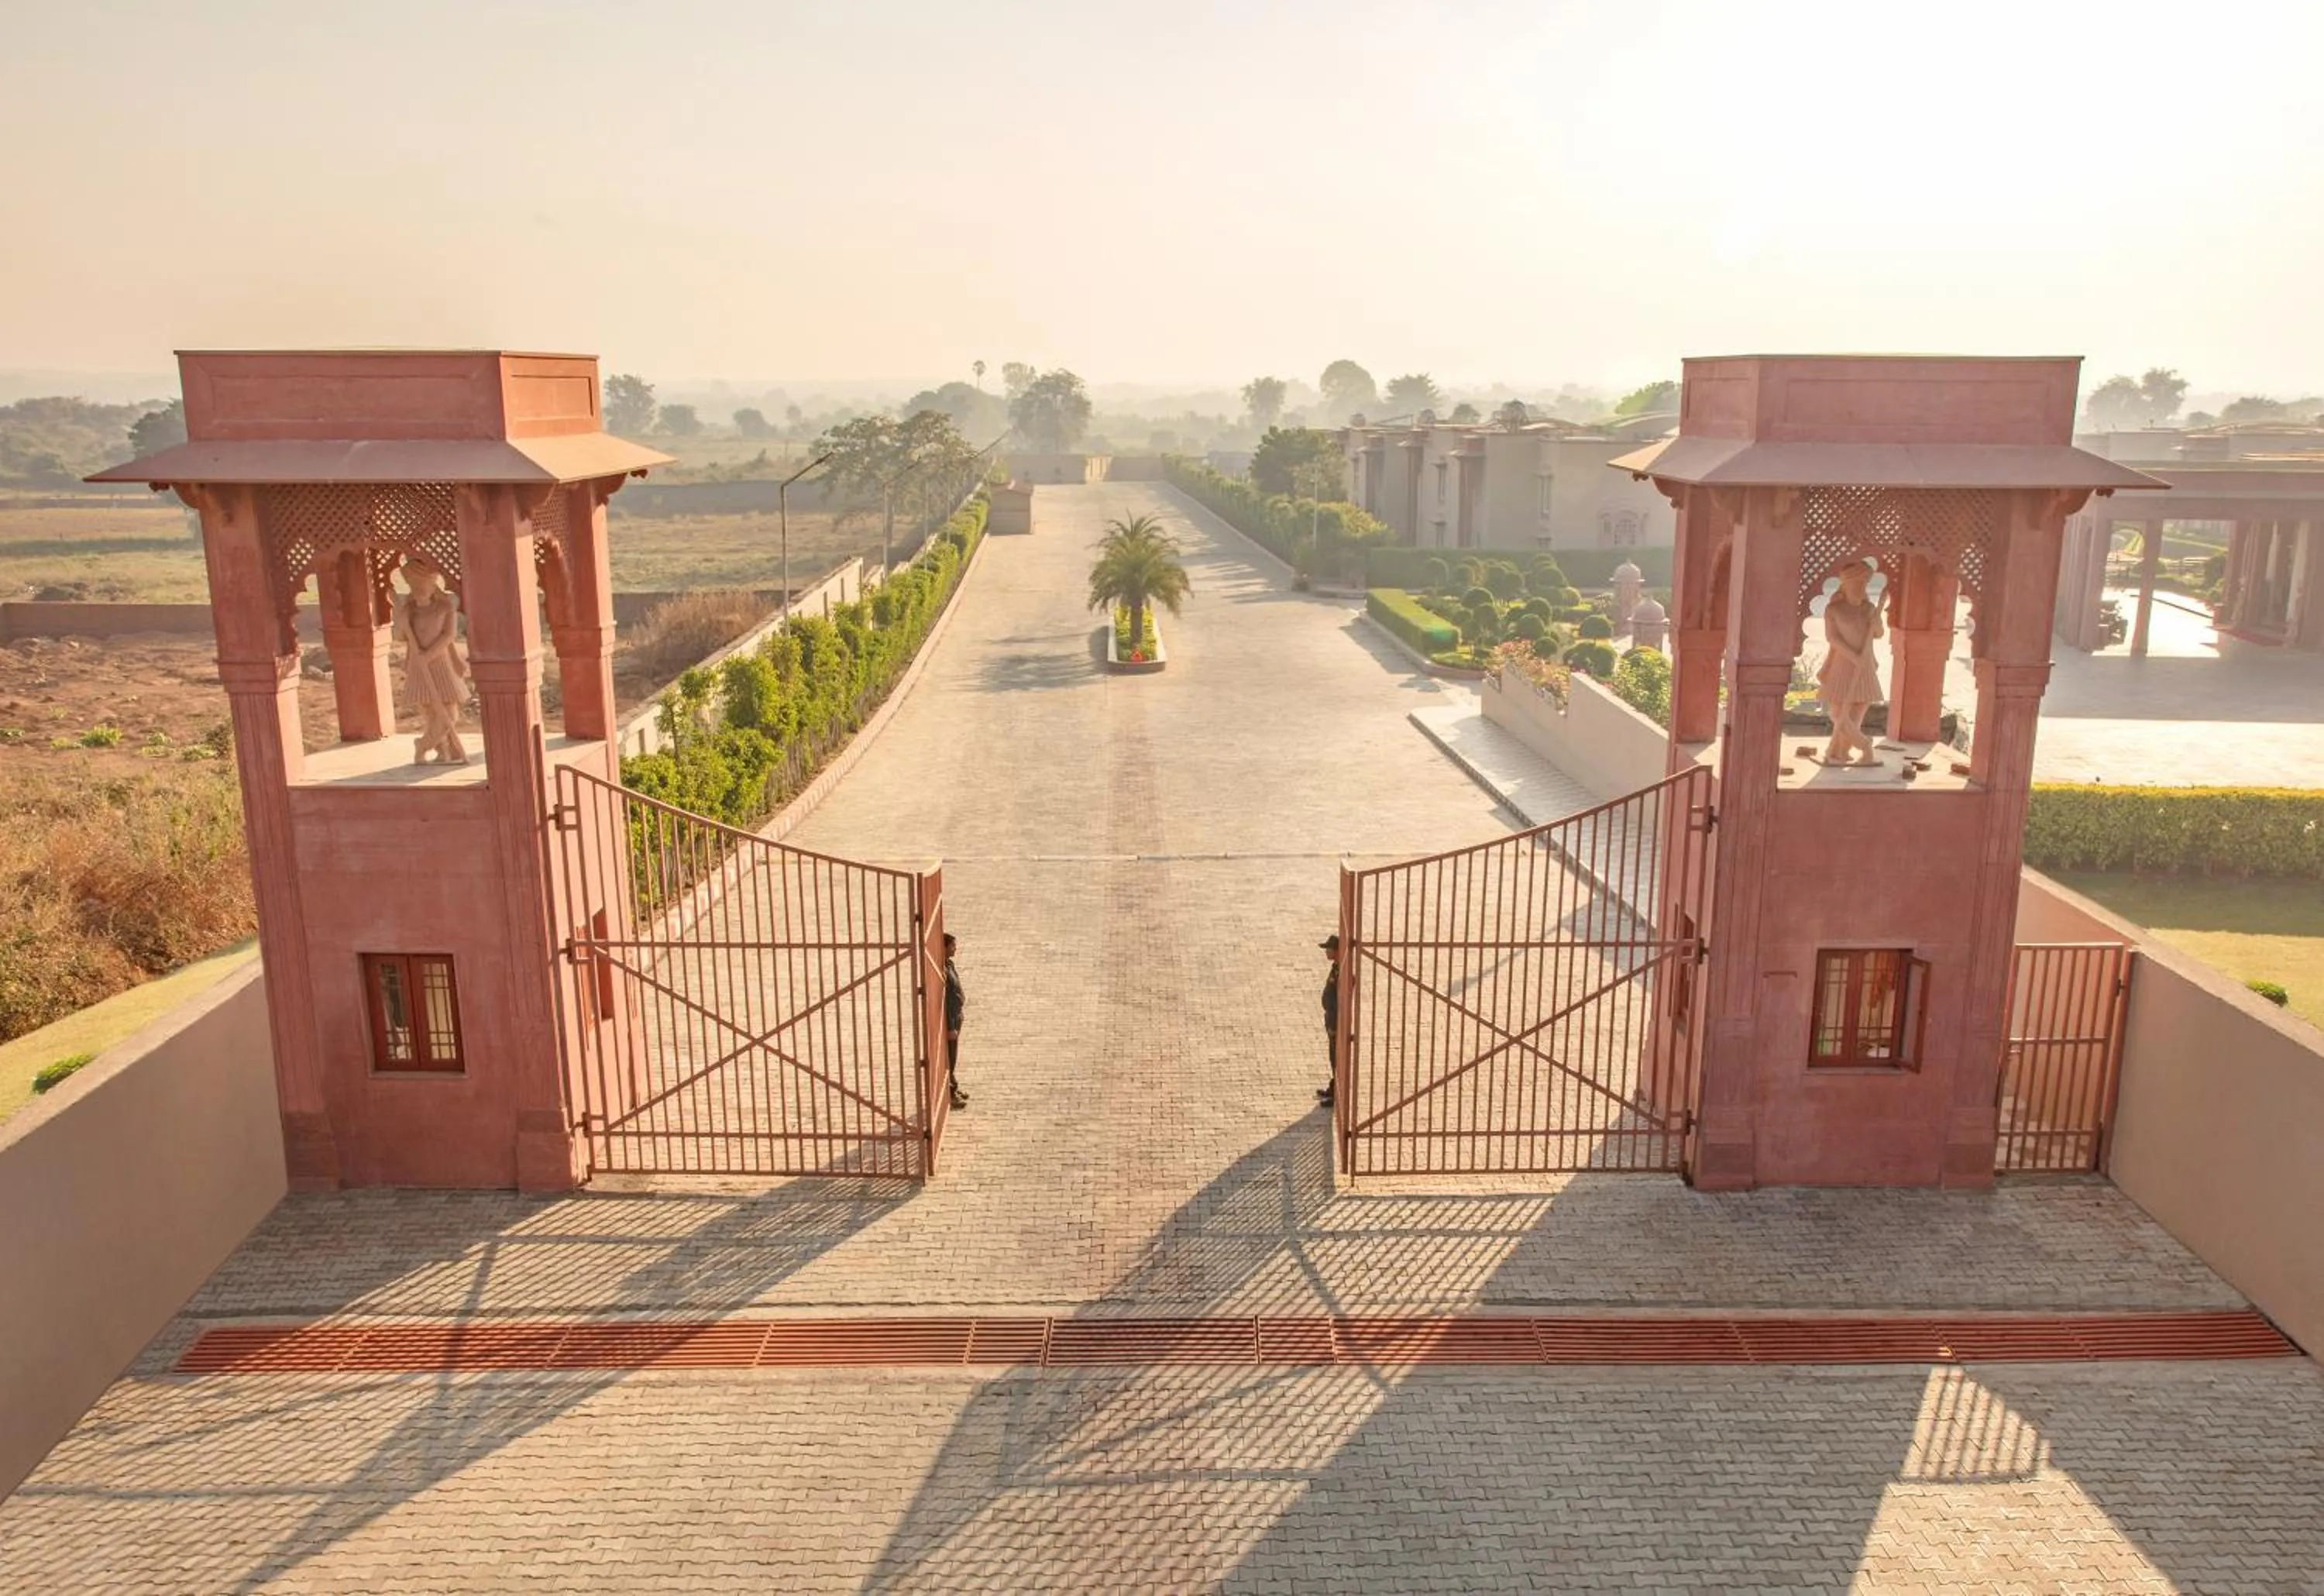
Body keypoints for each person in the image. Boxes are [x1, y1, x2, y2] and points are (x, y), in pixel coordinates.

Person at [393, 557, 470, 765]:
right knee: (430, 712)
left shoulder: (445, 608)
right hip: (418, 665)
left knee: (449, 713)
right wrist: (400, 618)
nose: (418, 590)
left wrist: (428, 656)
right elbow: (400, 636)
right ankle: (444, 751)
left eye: (422, 585)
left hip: (440, 663)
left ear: (432, 583)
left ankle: (423, 745)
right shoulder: (409, 610)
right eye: (414, 586)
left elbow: (448, 636)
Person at [1817, 557, 1885, 766]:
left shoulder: (1869, 609)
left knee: (1855, 717)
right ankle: (1865, 746)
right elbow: (1833, 638)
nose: (1859, 587)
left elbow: (1879, 634)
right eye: (1855, 583)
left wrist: (1877, 622)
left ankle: (1839, 753)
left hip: (1864, 667)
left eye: (1863, 583)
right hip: (1842, 666)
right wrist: (1853, 656)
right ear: (1845, 585)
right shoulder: (1834, 610)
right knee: (1838, 713)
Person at [942, 931, 968, 1111]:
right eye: (952, 945)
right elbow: (947, 999)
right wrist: (951, 1026)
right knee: (949, 1057)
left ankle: (954, 1086)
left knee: (954, 1055)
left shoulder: (949, 964)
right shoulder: (941, 970)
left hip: (956, 1016)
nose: (955, 948)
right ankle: (950, 1093)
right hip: (950, 1020)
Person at [1315, 933, 1342, 1108]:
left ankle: (1338, 1095)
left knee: (1337, 1056)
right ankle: (1334, 1087)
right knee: (1333, 1056)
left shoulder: (1342, 970)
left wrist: (1334, 1021)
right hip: (1331, 1018)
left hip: (1336, 1020)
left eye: (1329, 949)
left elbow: (1339, 999)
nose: (1326, 952)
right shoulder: (1337, 966)